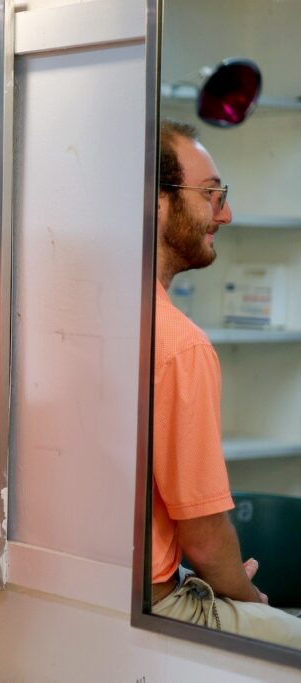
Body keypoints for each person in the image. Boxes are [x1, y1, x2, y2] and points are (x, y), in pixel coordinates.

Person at [151, 119, 301, 646]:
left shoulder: (75, 315)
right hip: (148, 601)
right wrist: (249, 601)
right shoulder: (178, 343)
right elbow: (205, 536)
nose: (226, 213)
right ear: (157, 202)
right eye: (211, 194)